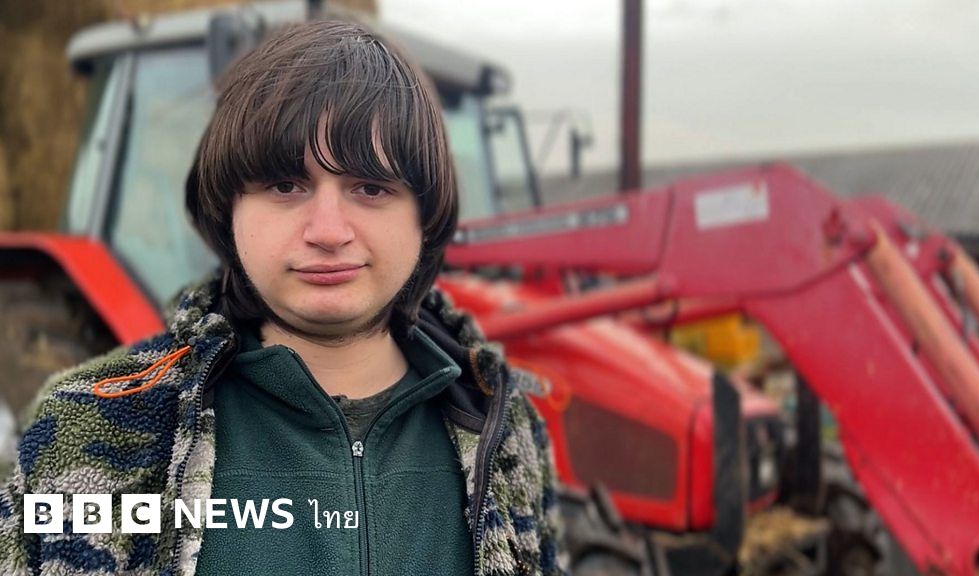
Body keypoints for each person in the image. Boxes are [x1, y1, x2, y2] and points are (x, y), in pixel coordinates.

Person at [0, 19, 568, 576]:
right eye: (285, 186)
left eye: (371, 188)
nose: (328, 231)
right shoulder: (83, 431)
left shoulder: (506, 430)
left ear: (426, 215)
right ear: (229, 208)